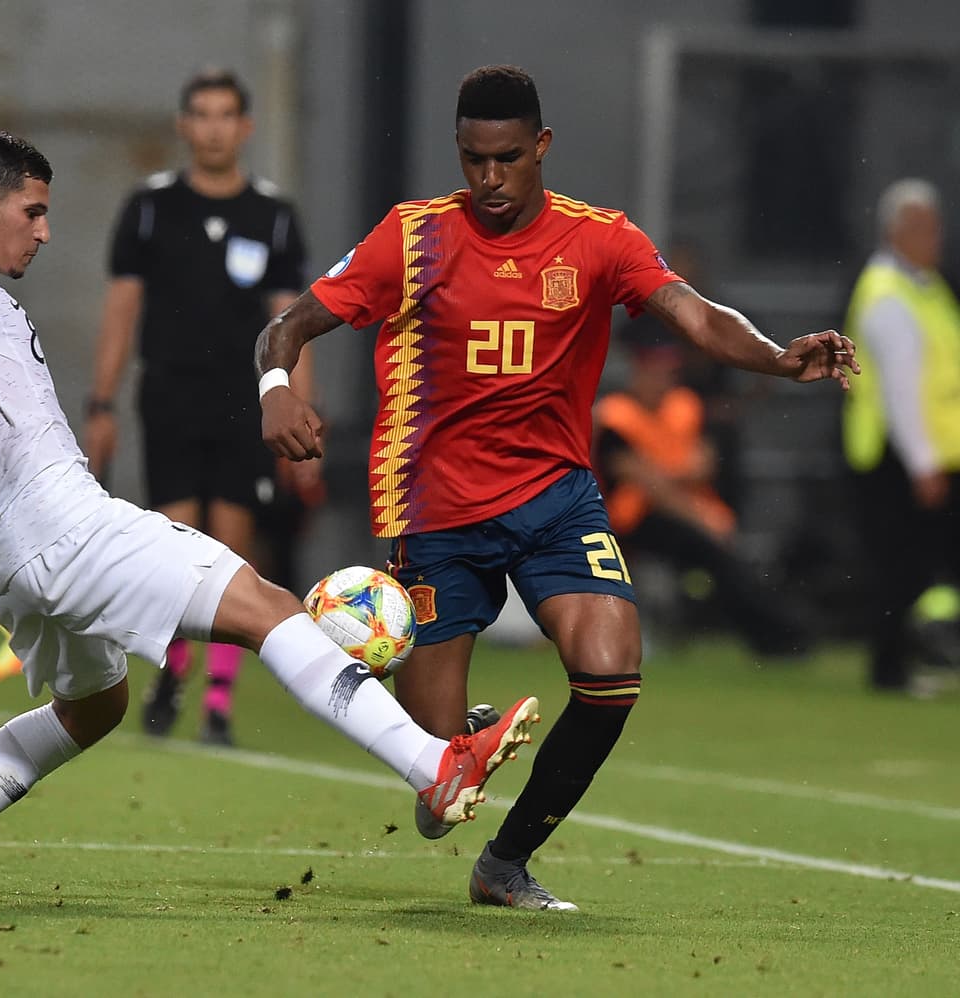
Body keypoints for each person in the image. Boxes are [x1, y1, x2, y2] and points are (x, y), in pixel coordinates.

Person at [0, 130, 539, 898]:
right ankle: (435, 766)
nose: (45, 231)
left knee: (93, 708)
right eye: (32, 212)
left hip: (6, 555)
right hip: (67, 527)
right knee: (269, 609)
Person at [256, 65, 858, 912]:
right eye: (473, 159)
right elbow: (288, 325)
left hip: (555, 499)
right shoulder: (413, 237)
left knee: (611, 674)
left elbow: (694, 314)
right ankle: (448, 743)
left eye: (507, 158)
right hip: (436, 511)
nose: (489, 178)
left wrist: (776, 356)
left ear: (540, 146)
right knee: (438, 789)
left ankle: (505, 864)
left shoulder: (599, 239)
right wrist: (276, 390)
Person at [82, 68, 320, 746]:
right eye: (202, 115)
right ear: (184, 125)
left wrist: (303, 411)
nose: (214, 128)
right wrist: (101, 403)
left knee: (233, 544)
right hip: (171, 393)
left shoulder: (273, 214)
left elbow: (294, 322)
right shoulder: (151, 207)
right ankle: (173, 670)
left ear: (245, 127)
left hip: (249, 400)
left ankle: (218, 701)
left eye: (225, 115)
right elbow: (121, 310)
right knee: (176, 538)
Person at [594, 333, 812, 656]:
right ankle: (777, 634)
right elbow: (647, 482)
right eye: (655, 371)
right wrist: (698, 513)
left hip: (686, 510)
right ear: (638, 371)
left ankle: (780, 631)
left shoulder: (684, 405)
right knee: (713, 554)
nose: (663, 379)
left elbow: (703, 464)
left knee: (724, 559)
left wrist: (662, 475)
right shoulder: (616, 415)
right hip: (636, 518)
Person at [842, 178, 960, 694]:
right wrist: (923, 463)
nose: (937, 238)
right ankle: (889, 668)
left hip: (933, 451)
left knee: (914, 565)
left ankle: (900, 662)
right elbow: (900, 391)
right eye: (925, 228)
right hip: (902, 455)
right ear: (897, 232)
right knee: (901, 566)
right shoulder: (889, 294)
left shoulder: (924, 286)